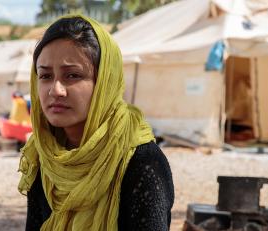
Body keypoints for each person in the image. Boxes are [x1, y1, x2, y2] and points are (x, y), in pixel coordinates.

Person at [18, 14, 174, 231]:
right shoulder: (44, 154)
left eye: (72, 75)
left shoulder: (142, 163)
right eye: (45, 76)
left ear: (104, 82)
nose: (55, 90)